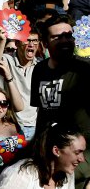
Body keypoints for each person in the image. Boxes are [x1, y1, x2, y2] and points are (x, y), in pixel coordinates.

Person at [31, 14, 90, 185]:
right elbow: (41, 113)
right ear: (45, 43)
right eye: (57, 37)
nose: (64, 41)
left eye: (68, 36)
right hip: (50, 150)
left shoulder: (85, 69)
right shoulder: (40, 70)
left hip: (81, 153)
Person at [0, 122, 86, 189]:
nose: (82, 159)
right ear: (56, 151)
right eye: (77, 152)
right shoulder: (21, 174)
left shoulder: (66, 175)